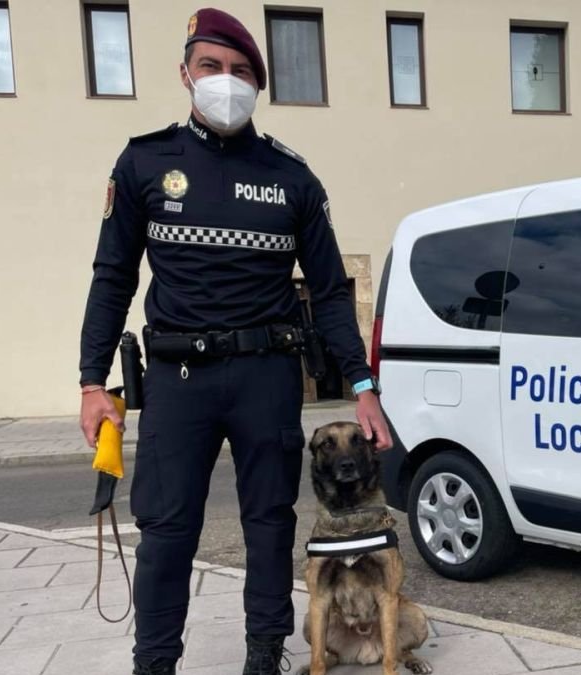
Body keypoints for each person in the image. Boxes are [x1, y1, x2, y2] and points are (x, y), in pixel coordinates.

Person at [76, 8, 392, 675]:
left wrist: (362, 384)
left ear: (259, 84)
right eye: (213, 67)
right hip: (175, 378)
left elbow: (331, 291)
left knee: (271, 526)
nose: (227, 81)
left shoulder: (292, 178)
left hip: (266, 374)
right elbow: (112, 278)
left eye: (242, 71)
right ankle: (154, 660)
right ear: (186, 73)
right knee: (165, 532)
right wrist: (90, 381)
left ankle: (261, 655)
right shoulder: (145, 163)